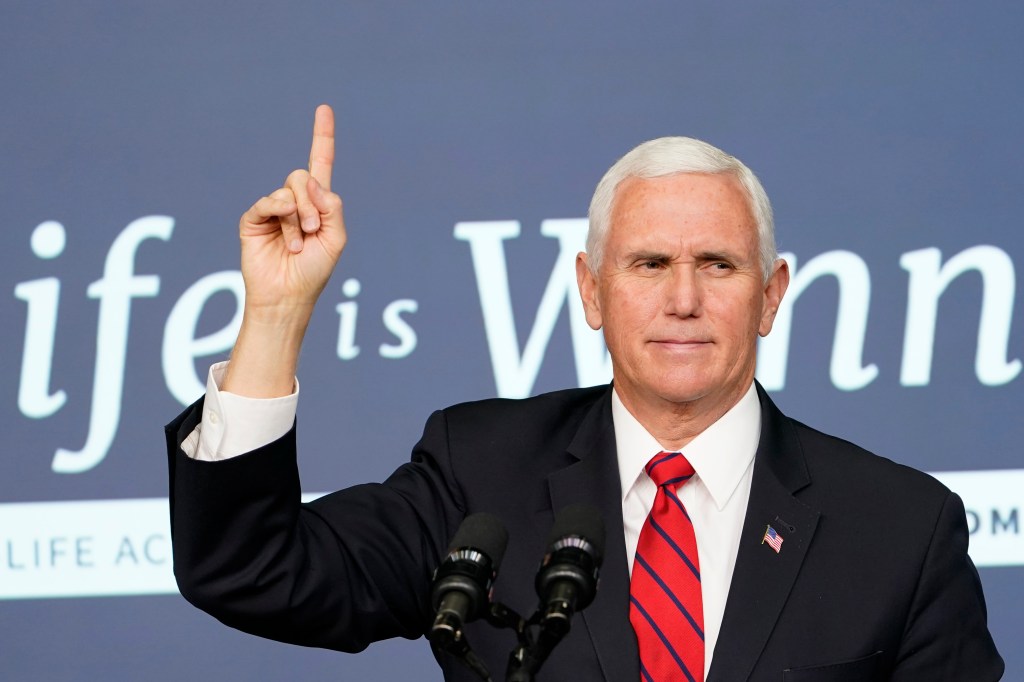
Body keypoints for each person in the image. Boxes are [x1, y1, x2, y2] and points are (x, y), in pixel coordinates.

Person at [166, 104, 1003, 681]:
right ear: (592, 291)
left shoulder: (900, 527)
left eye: (718, 264)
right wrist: (276, 315)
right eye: (648, 264)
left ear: (772, 294)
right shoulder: (480, 475)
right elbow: (250, 569)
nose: (683, 299)